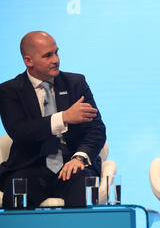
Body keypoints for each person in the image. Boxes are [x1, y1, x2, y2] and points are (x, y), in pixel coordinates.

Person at [0, 31, 106, 209]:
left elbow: (96, 130)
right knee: (16, 195)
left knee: (84, 188)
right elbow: (20, 132)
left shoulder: (76, 83)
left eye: (56, 52)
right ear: (29, 61)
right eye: (48, 55)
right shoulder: (10, 90)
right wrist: (63, 117)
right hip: (30, 167)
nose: (56, 59)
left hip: (72, 165)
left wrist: (79, 158)